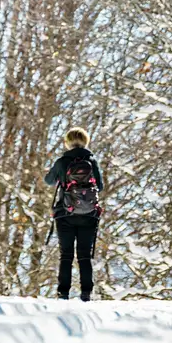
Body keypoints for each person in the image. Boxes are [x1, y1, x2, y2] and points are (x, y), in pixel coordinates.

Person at [44, 126, 104, 301]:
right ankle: (86, 292)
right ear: (86, 142)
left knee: (66, 255)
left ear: (68, 143)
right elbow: (99, 187)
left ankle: (63, 293)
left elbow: (48, 180)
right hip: (89, 214)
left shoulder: (62, 161)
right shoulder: (92, 161)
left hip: (64, 213)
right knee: (84, 255)